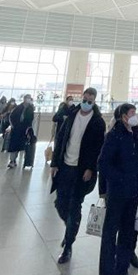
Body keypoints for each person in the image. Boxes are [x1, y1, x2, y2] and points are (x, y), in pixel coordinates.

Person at [50, 88, 106, 264]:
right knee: (60, 203)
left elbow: (98, 147)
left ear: (94, 102)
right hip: (65, 166)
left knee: (75, 205)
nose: (87, 102)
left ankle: (68, 245)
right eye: (85, 99)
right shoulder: (72, 115)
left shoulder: (98, 122)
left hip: (81, 171)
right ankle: (70, 226)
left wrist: (91, 168)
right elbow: (61, 138)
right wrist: (55, 163)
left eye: (90, 101)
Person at [97, 103, 138, 275]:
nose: (135, 117)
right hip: (117, 193)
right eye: (132, 113)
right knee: (110, 234)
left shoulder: (136, 134)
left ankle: (121, 271)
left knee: (127, 233)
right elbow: (103, 163)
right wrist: (120, 178)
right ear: (123, 116)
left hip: (133, 191)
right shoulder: (114, 135)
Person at [6, 94, 35, 168]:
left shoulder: (30, 109)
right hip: (16, 129)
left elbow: (31, 120)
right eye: (27, 98)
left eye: (29, 98)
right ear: (24, 99)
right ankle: (12, 160)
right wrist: (13, 126)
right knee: (14, 146)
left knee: (25, 146)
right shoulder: (18, 107)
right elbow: (11, 116)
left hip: (25, 130)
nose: (28, 100)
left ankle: (27, 162)